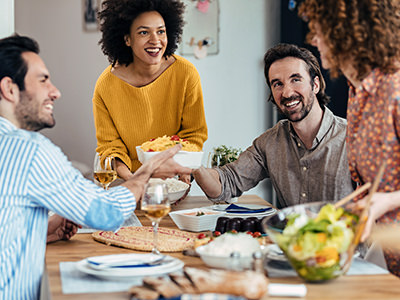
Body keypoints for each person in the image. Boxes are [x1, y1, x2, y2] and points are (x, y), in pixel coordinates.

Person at [0, 34, 191, 299]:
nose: (55, 91)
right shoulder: (30, 151)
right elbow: (106, 213)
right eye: (43, 80)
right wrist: (144, 173)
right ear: (9, 89)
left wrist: (42, 229)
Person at [299, 0, 400, 277]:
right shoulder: (357, 91)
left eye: (322, 31)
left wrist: (386, 201)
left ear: (351, 32)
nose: (315, 40)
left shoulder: (395, 89)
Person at [193, 43, 354, 208]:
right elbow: (227, 182)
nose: (287, 93)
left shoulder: (352, 139)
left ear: (315, 85)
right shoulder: (269, 143)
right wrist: (192, 166)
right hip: (288, 234)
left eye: (296, 79)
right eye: (278, 84)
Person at [93, 0, 208, 182]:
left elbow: (194, 135)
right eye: (144, 32)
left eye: (161, 31)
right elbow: (110, 146)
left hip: (173, 179)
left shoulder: (186, 73)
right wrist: (134, 181)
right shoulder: (106, 85)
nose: (155, 41)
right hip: (127, 182)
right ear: (127, 39)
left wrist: (181, 172)